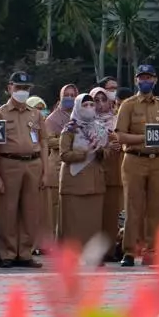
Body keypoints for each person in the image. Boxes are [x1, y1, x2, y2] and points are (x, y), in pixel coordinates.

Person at [115, 65, 159, 267]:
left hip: (157, 160)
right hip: (134, 159)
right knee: (133, 206)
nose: (145, 81)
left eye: (148, 77)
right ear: (136, 80)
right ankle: (128, 251)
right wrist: (144, 138)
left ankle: (152, 251)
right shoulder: (128, 105)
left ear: (155, 80)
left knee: (155, 208)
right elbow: (120, 135)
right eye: (141, 77)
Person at [0, 71, 48, 268]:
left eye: (25, 89)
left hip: (33, 163)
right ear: (10, 88)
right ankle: (7, 253)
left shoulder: (36, 114)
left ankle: (25, 252)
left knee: (30, 211)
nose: (22, 92)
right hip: (9, 163)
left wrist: (45, 170)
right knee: (8, 210)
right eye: (18, 88)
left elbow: (43, 143)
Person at [58, 93, 108, 246]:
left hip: (95, 181)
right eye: (85, 105)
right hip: (75, 180)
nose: (89, 108)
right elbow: (64, 154)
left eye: (92, 105)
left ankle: (91, 254)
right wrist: (85, 152)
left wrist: (100, 151)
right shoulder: (70, 129)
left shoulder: (100, 128)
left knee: (93, 220)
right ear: (78, 107)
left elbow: (107, 152)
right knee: (74, 220)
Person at [89, 86, 123, 261]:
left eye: (104, 100)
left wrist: (119, 145)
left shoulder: (117, 120)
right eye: (96, 100)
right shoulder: (86, 121)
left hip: (115, 171)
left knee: (111, 214)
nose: (101, 104)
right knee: (94, 214)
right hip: (94, 171)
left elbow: (125, 140)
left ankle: (110, 250)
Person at [44, 84, 77, 245]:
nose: (70, 98)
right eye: (67, 95)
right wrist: (69, 140)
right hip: (56, 165)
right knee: (55, 206)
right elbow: (48, 141)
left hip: (75, 165)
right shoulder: (52, 119)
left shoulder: (80, 116)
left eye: (73, 95)